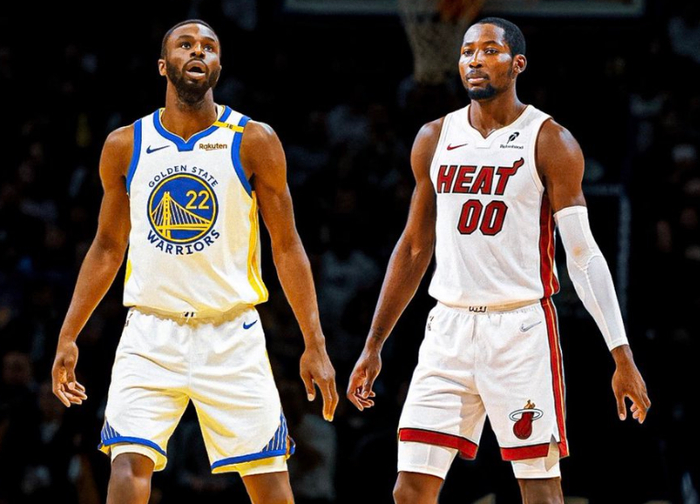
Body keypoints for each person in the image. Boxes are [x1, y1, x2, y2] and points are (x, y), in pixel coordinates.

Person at [347, 17, 651, 504]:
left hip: (520, 330)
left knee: (540, 491)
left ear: (517, 64)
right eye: (468, 51)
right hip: (447, 328)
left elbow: (583, 255)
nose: (475, 60)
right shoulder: (434, 137)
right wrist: (373, 344)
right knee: (410, 489)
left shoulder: (550, 140)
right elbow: (413, 247)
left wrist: (621, 354)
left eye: (490, 50)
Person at [51, 19, 338, 504]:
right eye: (185, 45)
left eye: (209, 46)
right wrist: (68, 334)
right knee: (127, 464)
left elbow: (287, 245)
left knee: (270, 485)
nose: (198, 51)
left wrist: (315, 343)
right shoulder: (125, 144)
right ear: (164, 66)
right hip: (150, 331)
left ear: (219, 66)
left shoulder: (254, 140)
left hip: (231, 332)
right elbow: (107, 246)